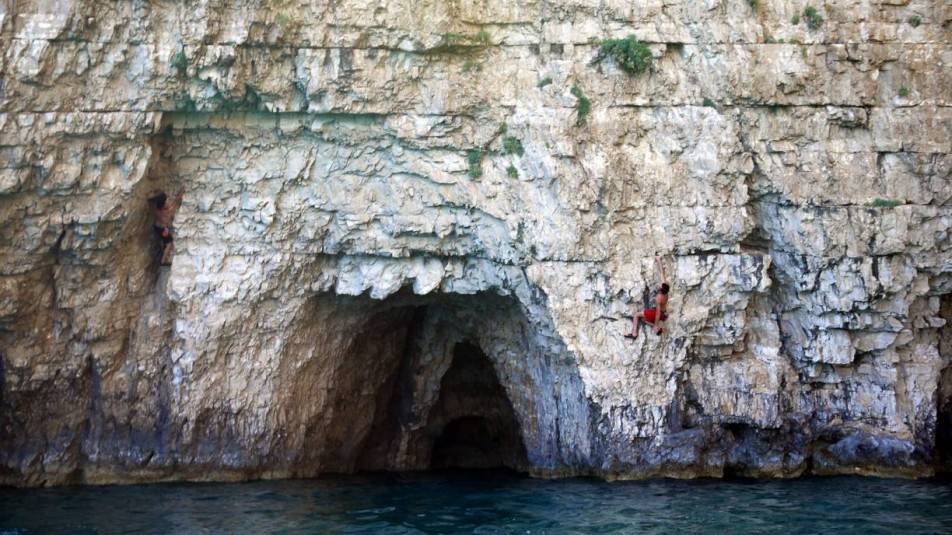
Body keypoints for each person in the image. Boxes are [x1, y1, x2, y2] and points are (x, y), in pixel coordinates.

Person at [625, 257, 670, 339]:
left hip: (659, 314)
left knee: (636, 315)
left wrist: (656, 324)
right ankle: (658, 328)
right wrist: (658, 259)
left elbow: (657, 314)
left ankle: (634, 333)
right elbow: (661, 273)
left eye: (659, 285)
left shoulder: (659, 298)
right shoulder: (665, 287)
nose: (659, 284)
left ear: (660, 289)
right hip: (664, 313)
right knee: (642, 319)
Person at [149, 189, 184, 266]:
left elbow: (152, 204)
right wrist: (181, 192)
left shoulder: (157, 211)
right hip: (163, 230)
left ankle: (162, 250)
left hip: (157, 228)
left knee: (163, 240)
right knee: (169, 244)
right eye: (164, 204)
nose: (166, 204)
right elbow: (176, 202)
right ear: (162, 208)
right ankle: (163, 261)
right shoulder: (166, 212)